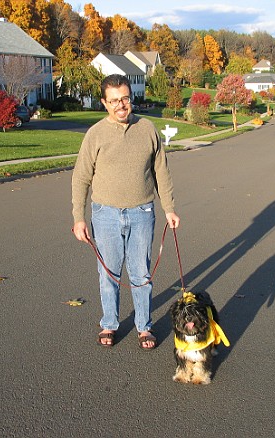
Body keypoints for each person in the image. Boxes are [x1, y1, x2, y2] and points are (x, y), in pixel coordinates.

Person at [71, 74, 180, 349]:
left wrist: (169, 209)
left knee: (141, 274)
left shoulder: (148, 129)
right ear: (104, 103)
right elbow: (81, 177)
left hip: (142, 212)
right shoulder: (95, 134)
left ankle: (144, 327)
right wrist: (78, 218)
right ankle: (109, 323)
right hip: (105, 214)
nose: (121, 105)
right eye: (114, 100)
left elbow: (161, 172)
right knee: (109, 274)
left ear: (131, 98)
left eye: (125, 98)